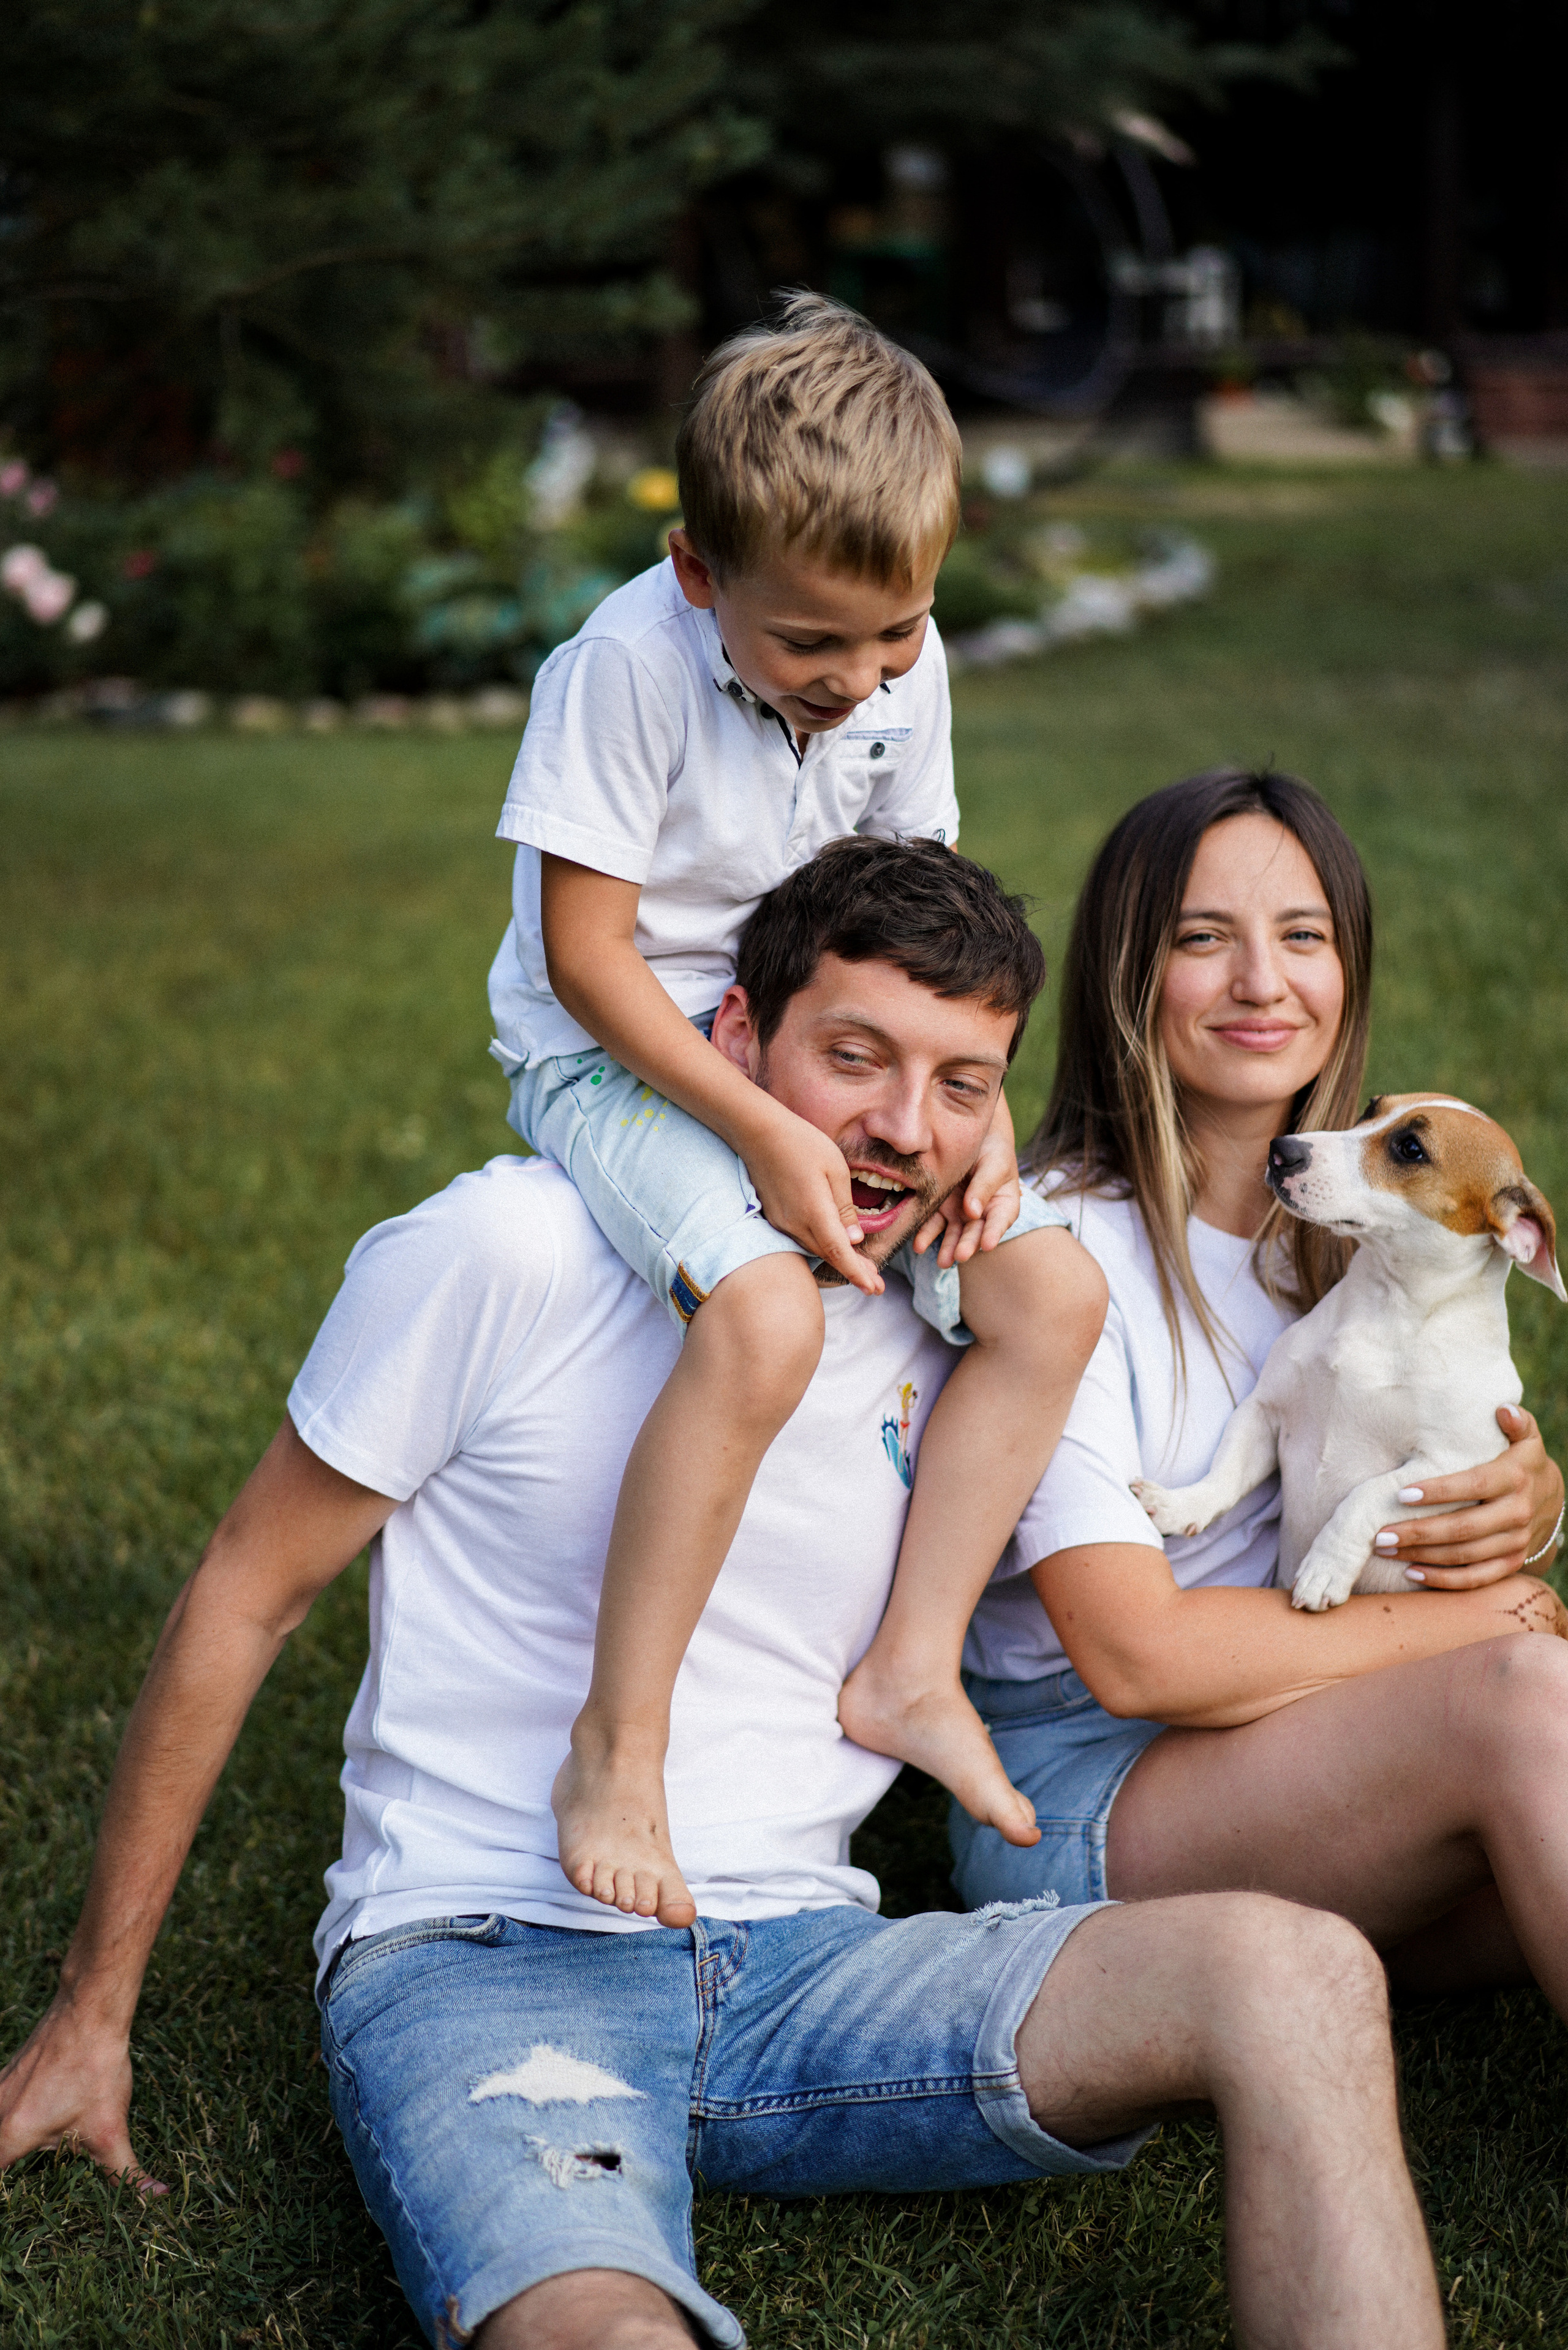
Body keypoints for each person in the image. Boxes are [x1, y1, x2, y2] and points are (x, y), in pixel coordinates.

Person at [2, 840, 1447, 2350]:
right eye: (853, 1058)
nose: (901, 1127)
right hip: (495, 1954)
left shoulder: (964, 1315)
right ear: (736, 1038)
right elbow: (242, 1596)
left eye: (960, 1084)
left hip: (811, 1960)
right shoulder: (505, 1250)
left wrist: (1494, 1490)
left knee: (1298, 1970)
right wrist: (91, 2011)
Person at [488, 292, 1103, 1928]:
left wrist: (970, 1121)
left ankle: (912, 1666)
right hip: (625, 1050)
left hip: (828, 1031)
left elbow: (921, 908)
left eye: (893, 632)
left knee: (1050, 1290)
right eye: (811, 644)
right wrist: (762, 1125)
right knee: (764, 1315)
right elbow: (584, 957)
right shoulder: (622, 666)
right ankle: (619, 1742)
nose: (859, 677)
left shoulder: (904, 661)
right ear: (698, 571)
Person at [952, 767, 1568, 2024]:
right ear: (1127, 971)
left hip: (1321, 1734)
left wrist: (1526, 1504)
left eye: (1302, 935)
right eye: (1201, 938)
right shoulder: (1054, 1250)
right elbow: (1135, 1656)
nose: (1260, 981)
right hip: (1086, 1793)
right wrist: (1508, 1615)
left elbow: (1437, 1444)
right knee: (1526, 1701)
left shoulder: (1364, 1241)